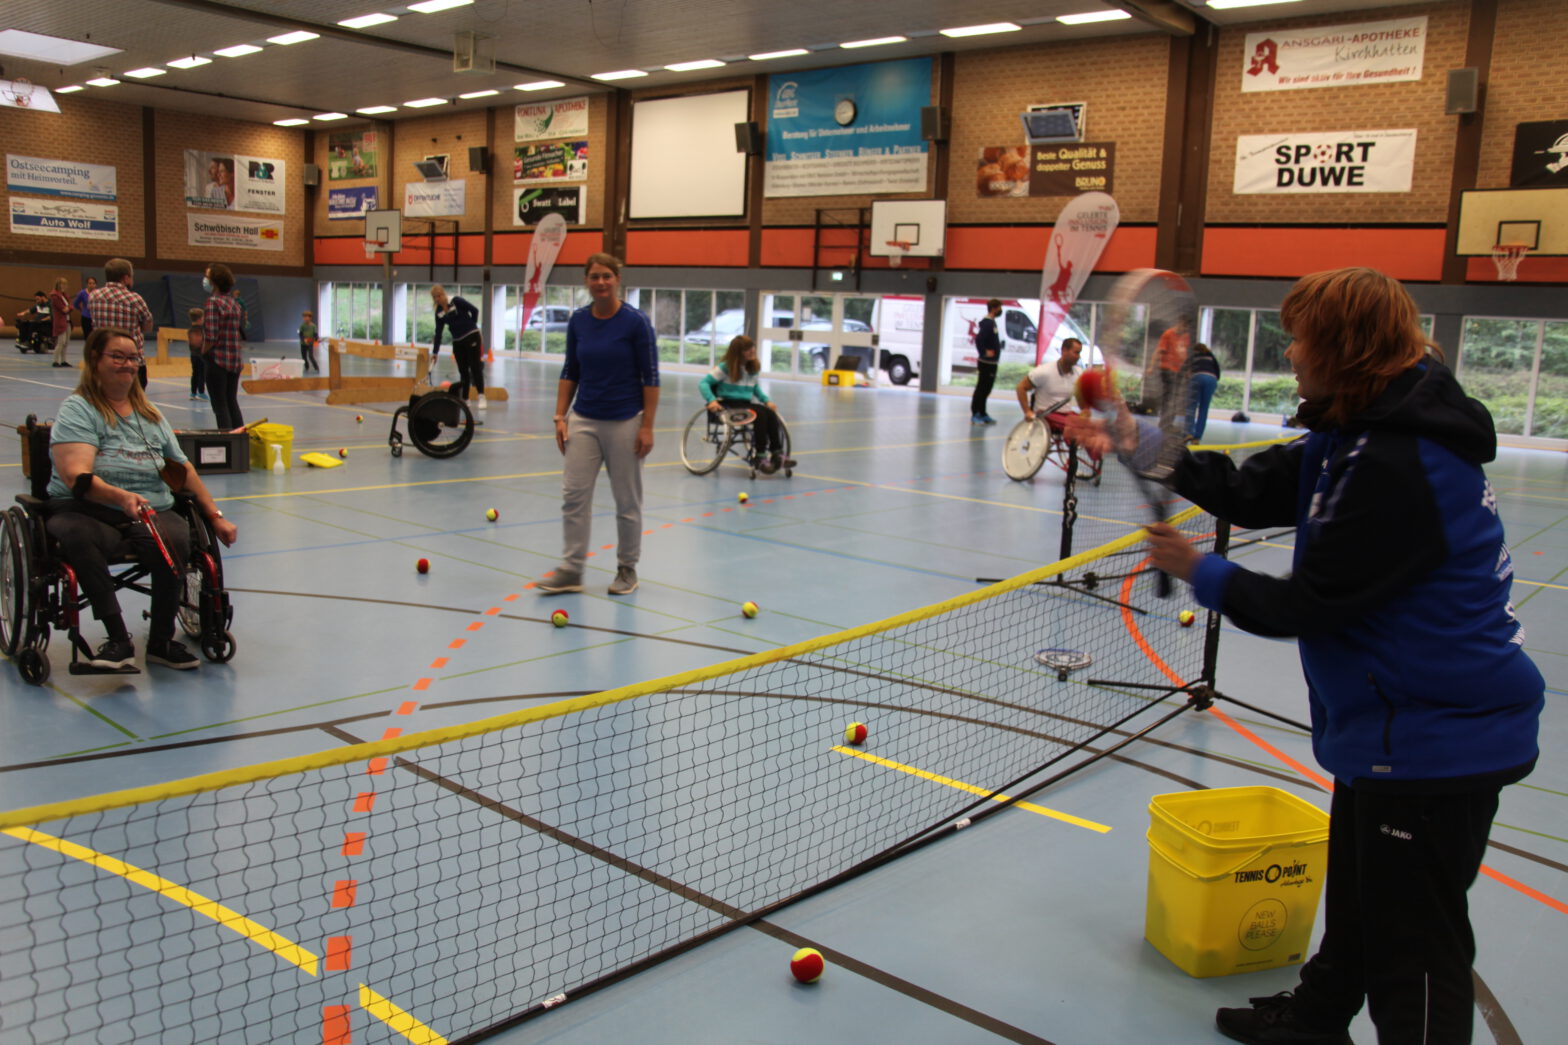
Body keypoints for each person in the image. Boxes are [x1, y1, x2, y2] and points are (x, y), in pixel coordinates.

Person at [1143, 268, 1543, 1045]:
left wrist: (1201, 570)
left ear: (1344, 347)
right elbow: (1251, 488)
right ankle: (1319, 1018)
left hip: (1438, 737)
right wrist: (1134, 440)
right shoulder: (1354, 431)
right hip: (1390, 726)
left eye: (1300, 337)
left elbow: (1305, 604)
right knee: (1363, 899)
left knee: (1416, 948)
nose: (1290, 352)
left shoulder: (1398, 462)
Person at [45, 327, 239, 670]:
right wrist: (119, 496)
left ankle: (161, 642)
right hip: (87, 508)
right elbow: (76, 476)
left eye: (133, 357)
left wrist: (216, 515)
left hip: (149, 508)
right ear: (95, 359)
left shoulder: (150, 414)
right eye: (117, 356)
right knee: (78, 536)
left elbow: (183, 471)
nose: (128, 364)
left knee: (176, 538)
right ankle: (118, 640)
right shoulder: (79, 409)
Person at [538, 253, 659, 597]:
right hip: (584, 419)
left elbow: (651, 378)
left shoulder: (636, 322)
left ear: (617, 279)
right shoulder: (578, 321)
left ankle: (627, 569)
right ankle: (572, 569)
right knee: (573, 496)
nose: (601, 282)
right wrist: (560, 416)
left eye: (607, 276)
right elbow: (570, 370)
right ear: (586, 281)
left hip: (625, 421)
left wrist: (647, 426)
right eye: (594, 277)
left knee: (627, 501)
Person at [700, 335, 794, 473]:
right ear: (738, 352)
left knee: (769, 413)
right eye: (747, 349)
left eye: (752, 347)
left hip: (744, 403)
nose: (752, 351)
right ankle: (760, 456)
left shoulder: (752, 367)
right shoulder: (725, 367)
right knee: (759, 414)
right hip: (728, 404)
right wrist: (711, 400)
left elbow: (754, 386)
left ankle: (777, 454)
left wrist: (766, 400)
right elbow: (704, 383)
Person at [88, 259, 154, 389]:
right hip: (130, 361)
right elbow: (148, 326)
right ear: (126, 278)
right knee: (132, 402)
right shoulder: (134, 299)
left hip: (104, 359)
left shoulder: (94, 296)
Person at [202, 263, 247, 431]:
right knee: (231, 402)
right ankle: (239, 440)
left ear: (214, 282)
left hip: (218, 360)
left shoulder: (213, 303)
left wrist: (202, 352)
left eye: (207, 277)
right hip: (234, 361)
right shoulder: (234, 304)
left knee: (220, 406)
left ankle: (227, 442)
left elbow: (211, 335)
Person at [430, 285, 484, 410]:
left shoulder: (456, 301)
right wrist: (435, 352)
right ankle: (465, 398)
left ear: (443, 294)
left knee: (475, 366)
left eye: (439, 295)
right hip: (458, 341)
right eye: (434, 297)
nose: (437, 299)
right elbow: (438, 333)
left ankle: (481, 396)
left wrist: (472, 325)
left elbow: (474, 310)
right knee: (463, 370)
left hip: (471, 336)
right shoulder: (439, 312)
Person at [1016, 336, 1084, 432]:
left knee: (1090, 427)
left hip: (1067, 414)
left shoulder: (1078, 373)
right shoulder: (1044, 371)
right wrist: (1027, 411)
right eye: (1076, 352)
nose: (1078, 356)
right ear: (1064, 350)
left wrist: (1086, 412)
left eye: (1079, 353)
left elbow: (1080, 396)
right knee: (1074, 426)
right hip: (1046, 414)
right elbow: (1021, 387)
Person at [970, 298, 1002, 426]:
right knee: (981, 388)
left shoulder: (992, 322)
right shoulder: (987, 323)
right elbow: (979, 339)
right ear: (994, 308)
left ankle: (983, 413)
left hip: (992, 363)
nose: (1001, 310)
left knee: (987, 388)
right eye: (999, 308)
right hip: (986, 363)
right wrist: (984, 352)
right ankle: (975, 413)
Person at [1186, 342, 1221, 442]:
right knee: (1204, 408)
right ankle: (1197, 437)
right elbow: (1218, 372)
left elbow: (1186, 371)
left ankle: (1189, 433)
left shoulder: (1193, 356)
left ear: (1195, 350)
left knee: (1191, 407)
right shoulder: (1210, 356)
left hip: (1197, 377)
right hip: (1211, 379)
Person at [48, 278, 73, 368]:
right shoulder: (55, 296)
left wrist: (68, 307)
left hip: (68, 321)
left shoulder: (65, 295)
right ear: (57, 285)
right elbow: (64, 309)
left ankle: (63, 360)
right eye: (61, 284)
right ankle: (55, 361)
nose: (63, 286)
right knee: (61, 342)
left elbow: (70, 306)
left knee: (66, 342)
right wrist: (68, 307)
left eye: (65, 284)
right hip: (60, 322)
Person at [186, 307, 208, 401]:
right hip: (200, 355)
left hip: (193, 355)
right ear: (200, 319)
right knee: (201, 374)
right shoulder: (199, 330)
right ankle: (201, 392)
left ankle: (193, 392)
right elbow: (198, 342)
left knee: (195, 373)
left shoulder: (190, 330)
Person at [72, 276, 97, 341]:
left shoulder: (97, 293)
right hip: (86, 317)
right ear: (87, 284)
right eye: (90, 283)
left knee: (95, 337)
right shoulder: (82, 293)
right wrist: (81, 310)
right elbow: (75, 303)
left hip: (95, 317)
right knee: (87, 337)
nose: (92, 285)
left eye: (93, 283)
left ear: (96, 285)